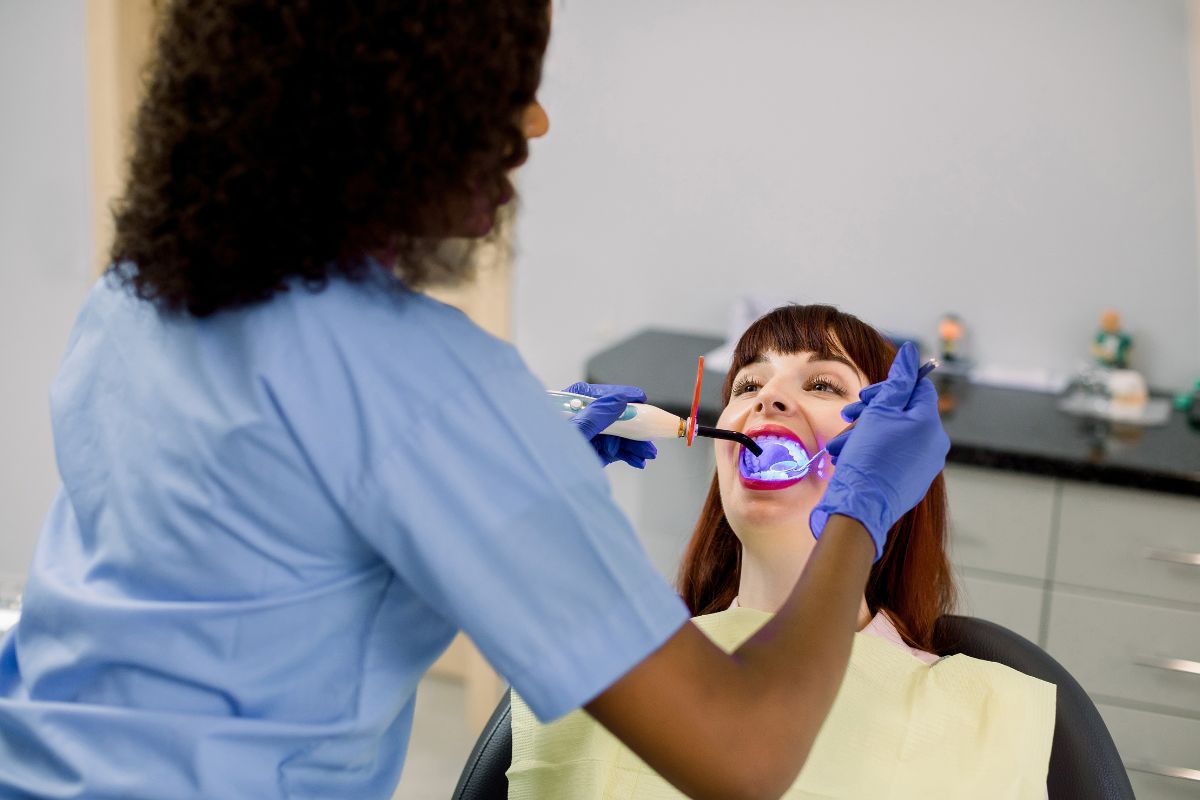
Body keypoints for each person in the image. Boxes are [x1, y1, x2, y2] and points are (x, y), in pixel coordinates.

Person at [0, 5, 949, 799]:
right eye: (508, 85)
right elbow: (744, 755)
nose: (535, 123)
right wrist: (857, 511)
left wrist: (485, 473)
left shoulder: (133, 297)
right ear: (397, 105)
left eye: (822, 385)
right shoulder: (429, 392)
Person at [509, 305, 1056, 798]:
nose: (767, 398)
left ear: (893, 454)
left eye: (822, 385)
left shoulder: (987, 716)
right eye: (747, 385)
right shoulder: (608, 659)